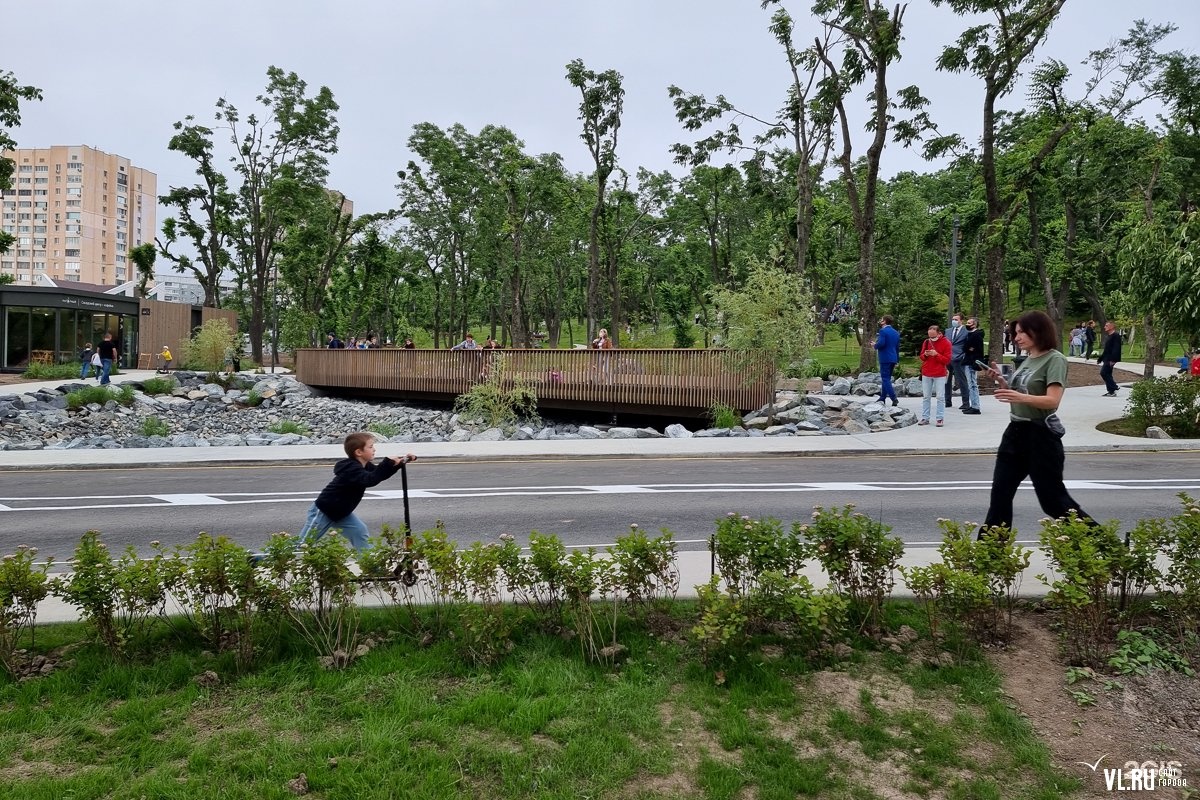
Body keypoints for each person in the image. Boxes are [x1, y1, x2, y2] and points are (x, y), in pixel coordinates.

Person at [981, 310, 1094, 533]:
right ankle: (990, 559)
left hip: (1040, 436)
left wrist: (1019, 396)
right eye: (1015, 333)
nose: (1017, 337)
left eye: (1022, 332)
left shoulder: (1055, 360)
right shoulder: (1028, 359)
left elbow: (1052, 400)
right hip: (1015, 433)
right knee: (999, 498)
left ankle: (1104, 546)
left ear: (1039, 331)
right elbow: (1020, 393)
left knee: (1053, 502)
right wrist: (1003, 383)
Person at [297, 432, 418, 554]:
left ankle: (371, 566)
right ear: (359, 452)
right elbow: (370, 480)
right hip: (325, 510)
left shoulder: (365, 466)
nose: (374, 449)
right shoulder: (350, 468)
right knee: (303, 545)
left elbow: (378, 474)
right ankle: (281, 562)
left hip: (341, 512)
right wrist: (387, 462)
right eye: (370, 447)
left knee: (359, 531)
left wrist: (397, 464)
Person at [918, 324, 952, 427]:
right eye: (930, 336)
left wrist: (936, 354)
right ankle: (925, 417)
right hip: (927, 372)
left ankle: (939, 418)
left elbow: (947, 360)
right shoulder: (927, 342)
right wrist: (926, 355)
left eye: (933, 336)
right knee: (926, 397)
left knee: (940, 397)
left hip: (940, 373)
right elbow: (921, 356)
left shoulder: (946, 343)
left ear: (939, 333)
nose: (931, 338)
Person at [873, 315, 900, 407]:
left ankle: (893, 398)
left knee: (885, 378)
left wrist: (875, 345)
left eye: (881, 320)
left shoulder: (883, 331)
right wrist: (897, 360)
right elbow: (897, 347)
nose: (880, 321)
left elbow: (881, 343)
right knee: (887, 378)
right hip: (893, 358)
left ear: (884, 321)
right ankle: (882, 397)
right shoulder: (896, 332)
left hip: (885, 358)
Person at [960, 316, 984, 414]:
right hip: (969, 360)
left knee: (972, 384)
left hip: (971, 361)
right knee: (971, 384)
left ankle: (975, 406)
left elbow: (968, 347)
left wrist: (968, 348)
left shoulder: (976, 335)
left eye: (969, 323)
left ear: (974, 324)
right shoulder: (971, 335)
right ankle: (973, 404)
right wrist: (967, 348)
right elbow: (966, 347)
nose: (967, 324)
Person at [946, 313, 967, 408]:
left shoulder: (966, 331)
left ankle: (965, 402)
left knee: (962, 381)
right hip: (948, 358)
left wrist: (963, 355)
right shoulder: (948, 331)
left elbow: (967, 345)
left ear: (961, 320)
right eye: (953, 319)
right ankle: (947, 401)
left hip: (959, 358)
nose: (954, 321)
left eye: (956, 319)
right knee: (946, 380)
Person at [1099, 321, 1123, 396]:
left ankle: (1114, 387)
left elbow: (1116, 348)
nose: (1104, 327)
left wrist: (1113, 359)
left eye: (1106, 326)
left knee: (1104, 372)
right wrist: (1100, 358)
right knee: (1108, 373)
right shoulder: (1109, 336)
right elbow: (1106, 349)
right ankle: (1111, 391)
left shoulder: (1116, 336)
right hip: (1106, 358)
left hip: (1111, 359)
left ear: (1111, 327)